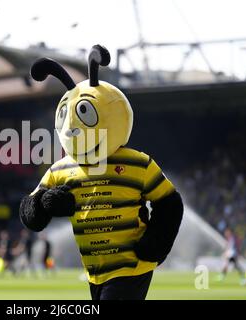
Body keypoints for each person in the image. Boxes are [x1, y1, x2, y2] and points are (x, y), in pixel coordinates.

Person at [19, 45, 183, 300]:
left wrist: (155, 245)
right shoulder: (60, 169)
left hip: (132, 266)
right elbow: (30, 214)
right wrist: (47, 203)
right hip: (94, 271)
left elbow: (169, 203)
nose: (73, 129)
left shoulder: (138, 164)